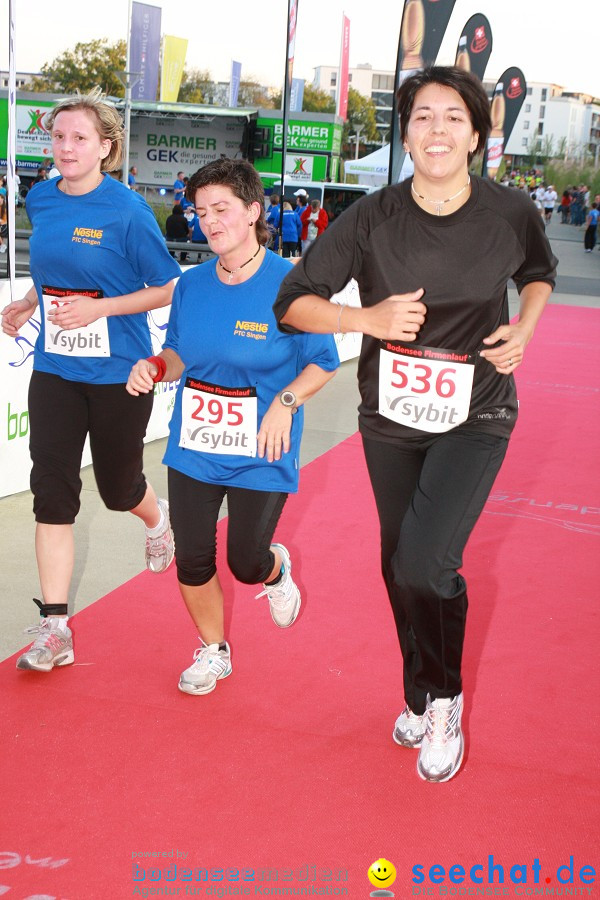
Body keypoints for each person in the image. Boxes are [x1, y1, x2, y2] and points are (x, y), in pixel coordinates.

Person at [274, 66, 557, 783]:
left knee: (427, 563)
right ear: (405, 133)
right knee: (399, 566)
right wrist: (362, 318)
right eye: (423, 116)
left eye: (453, 118)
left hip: (479, 409)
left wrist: (524, 325)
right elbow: (293, 300)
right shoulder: (372, 217)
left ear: (475, 136)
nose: (437, 129)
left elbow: (538, 269)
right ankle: (419, 690)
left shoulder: (509, 211)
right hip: (392, 418)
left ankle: (445, 701)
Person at [126, 158, 339, 696]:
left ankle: (275, 571)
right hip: (195, 442)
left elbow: (324, 361)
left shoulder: (292, 285)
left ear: (253, 211)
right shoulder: (191, 285)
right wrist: (155, 367)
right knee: (194, 555)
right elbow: (178, 353)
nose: (209, 222)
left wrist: (285, 402)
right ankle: (213, 649)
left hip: (263, 444)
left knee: (244, 561)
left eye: (222, 209)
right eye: (200, 212)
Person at [1, 88, 181, 674]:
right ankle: (55, 627)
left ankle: (158, 519)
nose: (66, 148)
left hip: (119, 374)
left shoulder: (128, 211)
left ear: (106, 147)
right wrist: (30, 301)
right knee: (51, 493)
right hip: (55, 368)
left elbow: (168, 286)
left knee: (117, 486)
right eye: (57, 137)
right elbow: (55, 272)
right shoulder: (42, 198)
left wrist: (100, 311)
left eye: (80, 138)